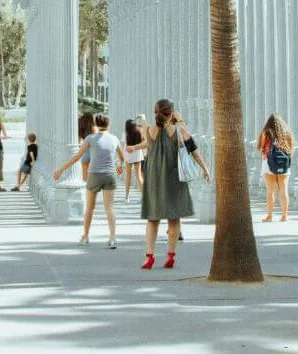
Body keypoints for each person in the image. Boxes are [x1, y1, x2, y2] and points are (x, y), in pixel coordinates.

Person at [126, 99, 210, 269]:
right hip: (174, 179)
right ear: (171, 113)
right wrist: (205, 168)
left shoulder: (149, 131)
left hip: (154, 180)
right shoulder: (178, 131)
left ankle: (149, 257)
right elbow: (193, 150)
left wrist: (134, 146)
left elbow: (148, 144)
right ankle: (171, 255)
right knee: (174, 218)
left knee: (153, 220)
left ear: (155, 112)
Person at [54, 114, 125, 248]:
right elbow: (122, 158)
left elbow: (76, 157)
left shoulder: (90, 139)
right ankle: (113, 238)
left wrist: (61, 170)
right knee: (109, 208)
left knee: (90, 208)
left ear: (96, 124)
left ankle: (86, 236)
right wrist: (119, 167)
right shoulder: (114, 139)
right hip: (110, 175)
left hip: (94, 175)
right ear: (109, 124)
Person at [258, 114, 294, 222]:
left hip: (268, 164)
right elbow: (291, 149)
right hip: (284, 163)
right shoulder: (287, 133)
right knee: (284, 190)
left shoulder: (266, 133)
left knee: (270, 191)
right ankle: (285, 215)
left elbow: (261, 147)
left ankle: (269, 216)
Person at [123, 118, 146, 202]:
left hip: (128, 153)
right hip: (137, 153)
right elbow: (143, 141)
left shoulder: (125, 133)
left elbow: (124, 143)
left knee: (128, 175)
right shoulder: (139, 132)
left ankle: (127, 196)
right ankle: (143, 197)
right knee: (139, 175)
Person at [77, 112, 95, 180]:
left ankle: (86, 189)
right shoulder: (94, 128)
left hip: (85, 152)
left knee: (85, 175)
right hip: (93, 152)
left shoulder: (80, 128)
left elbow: (78, 142)